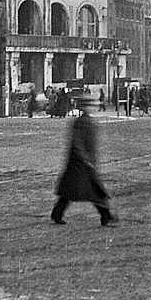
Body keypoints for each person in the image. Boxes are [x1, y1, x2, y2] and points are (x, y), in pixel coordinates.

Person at [51, 93, 117, 227]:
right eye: (89, 105)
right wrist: (85, 159)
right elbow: (77, 142)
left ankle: (57, 213)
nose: (92, 107)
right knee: (91, 191)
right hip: (80, 163)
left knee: (75, 191)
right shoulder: (81, 122)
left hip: (84, 162)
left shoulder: (86, 121)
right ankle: (106, 215)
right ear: (84, 107)